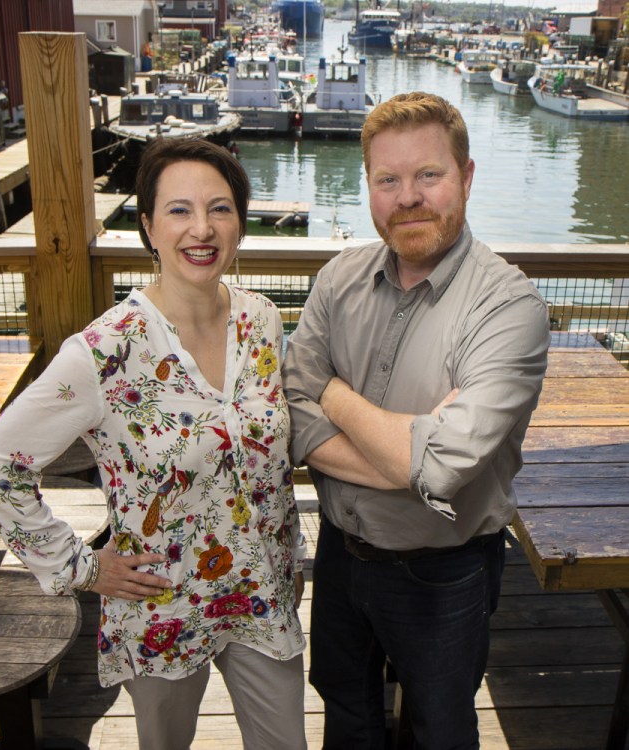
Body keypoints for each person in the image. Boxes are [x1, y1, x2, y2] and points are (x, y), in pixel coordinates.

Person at [0, 138, 307, 750]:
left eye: (220, 209)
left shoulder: (262, 320)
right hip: (161, 604)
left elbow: (269, 462)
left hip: (263, 592)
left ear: (240, 224)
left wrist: (293, 551)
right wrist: (82, 567)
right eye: (179, 210)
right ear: (148, 225)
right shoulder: (104, 350)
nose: (201, 229)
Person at [282, 92, 550, 750]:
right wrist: (402, 455)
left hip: (445, 571)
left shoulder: (508, 307)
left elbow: (437, 465)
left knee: (439, 727)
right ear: (369, 187)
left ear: (466, 176)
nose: (408, 197)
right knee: (346, 709)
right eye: (388, 180)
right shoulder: (338, 280)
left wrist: (334, 396)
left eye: (428, 175)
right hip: (341, 554)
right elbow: (289, 409)